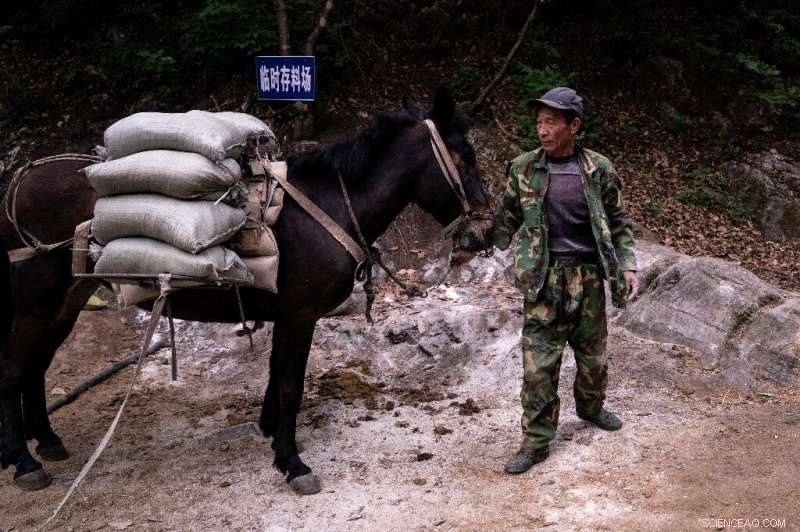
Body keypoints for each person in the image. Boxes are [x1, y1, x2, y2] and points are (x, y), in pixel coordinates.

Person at [492, 86, 638, 474]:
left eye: (551, 122)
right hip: (543, 281)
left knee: (593, 358)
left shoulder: (598, 169)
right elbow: (504, 218)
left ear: (573, 126)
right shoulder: (523, 168)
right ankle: (536, 442)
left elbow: (619, 222)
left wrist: (628, 265)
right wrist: (477, 239)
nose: (542, 129)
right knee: (538, 366)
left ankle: (591, 408)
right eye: (539, 122)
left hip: (588, 278)